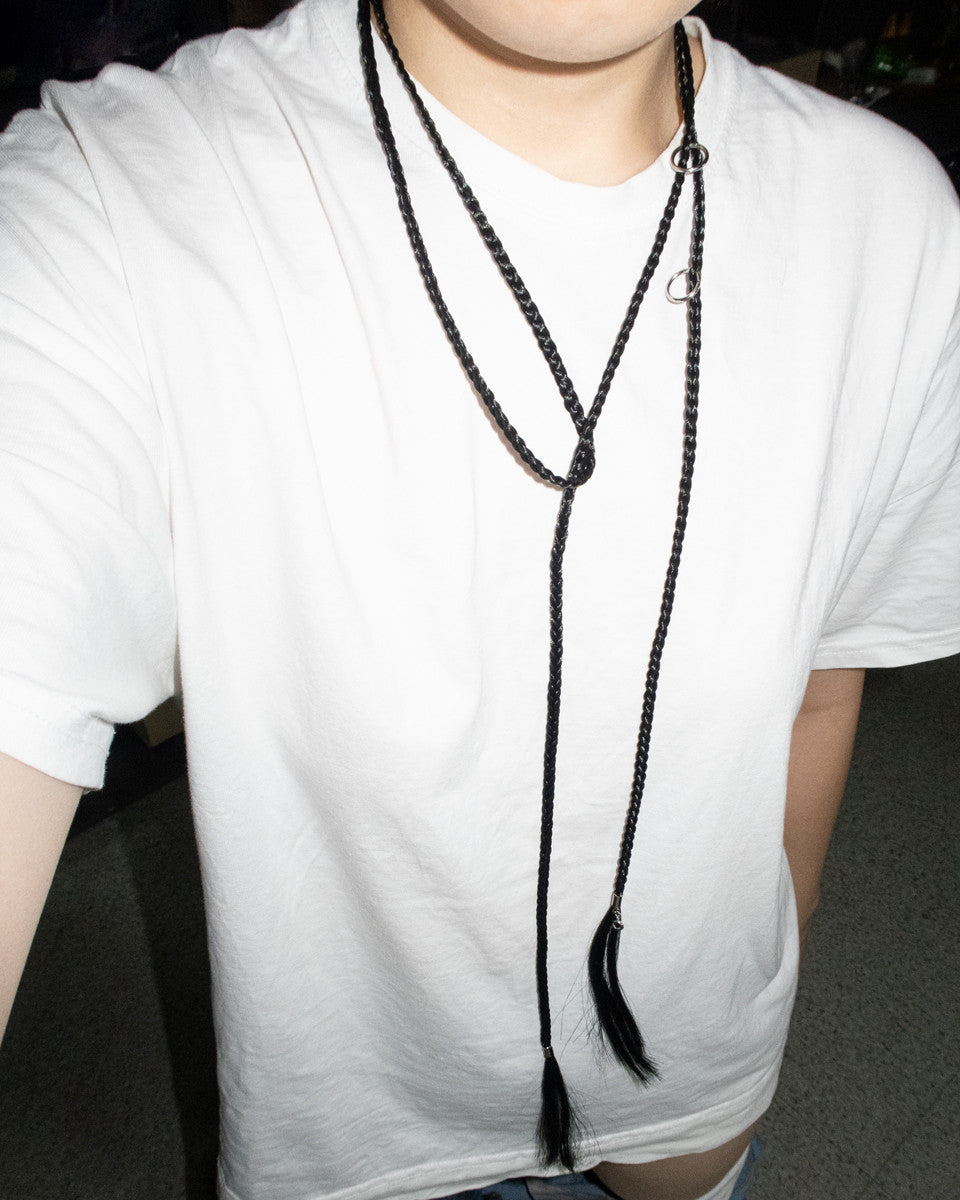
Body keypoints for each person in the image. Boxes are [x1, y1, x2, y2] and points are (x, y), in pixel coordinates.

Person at [0, 2, 957, 1199]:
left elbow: (820, 675)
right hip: (355, 1153)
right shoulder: (108, 211)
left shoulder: (889, 223)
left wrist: (779, 953)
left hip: (692, 1109)